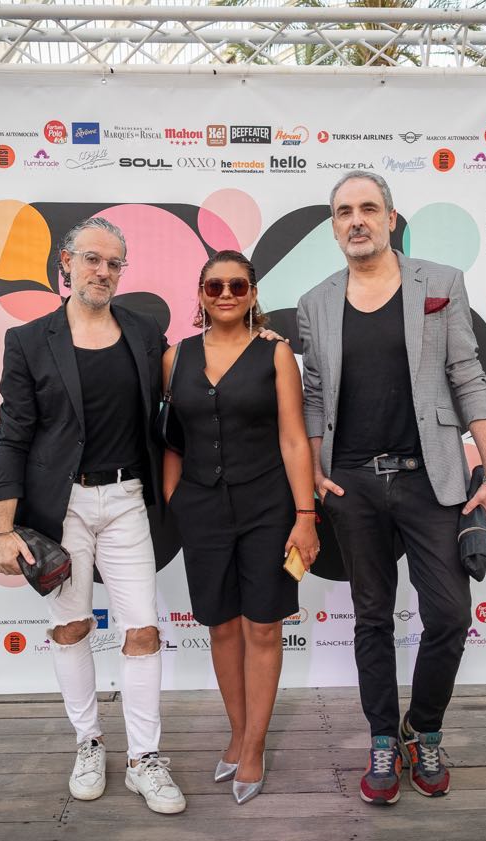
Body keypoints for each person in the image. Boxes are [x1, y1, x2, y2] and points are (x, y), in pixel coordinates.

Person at [296, 172, 486, 806]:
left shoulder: (439, 283)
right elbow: (313, 396)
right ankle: (384, 738)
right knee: (371, 619)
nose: (356, 220)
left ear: (391, 218)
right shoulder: (315, 302)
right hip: (352, 484)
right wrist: (315, 470)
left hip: (431, 478)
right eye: (344, 212)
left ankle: (425, 728)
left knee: (449, 615)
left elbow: (468, 377)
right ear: (334, 226)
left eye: (368, 208)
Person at [0, 216, 185, 815]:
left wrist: (260, 337)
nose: (103, 271)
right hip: (62, 507)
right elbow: (12, 436)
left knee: (142, 629)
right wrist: (3, 529)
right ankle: (89, 743)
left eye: (114, 262)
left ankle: (145, 760)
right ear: (66, 264)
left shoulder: (144, 332)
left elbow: (195, 373)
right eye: (92, 259)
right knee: (72, 626)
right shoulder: (28, 341)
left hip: (127, 499)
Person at [161, 250, 320, 805]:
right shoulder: (175, 357)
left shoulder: (275, 354)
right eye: (214, 286)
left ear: (252, 294)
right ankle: (236, 732)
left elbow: (294, 439)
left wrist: (305, 516)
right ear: (201, 295)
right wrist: (175, 496)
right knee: (221, 627)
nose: (225, 294)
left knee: (263, 627)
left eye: (236, 285)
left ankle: (254, 747)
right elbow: (171, 437)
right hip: (201, 509)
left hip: (268, 508)